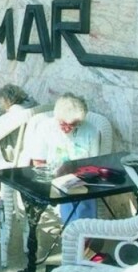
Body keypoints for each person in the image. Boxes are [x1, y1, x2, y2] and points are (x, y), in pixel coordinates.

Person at [29, 93, 100, 222]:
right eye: (63, 124)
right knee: (69, 192)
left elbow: (94, 163)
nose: (67, 128)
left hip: (82, 177)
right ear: (57, 118)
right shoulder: (45, 128)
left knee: (84, 193)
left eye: (73, 124)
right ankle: (76, 234)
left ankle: (85, 235)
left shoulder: (91, 131)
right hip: (53, 177)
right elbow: (38, 161)